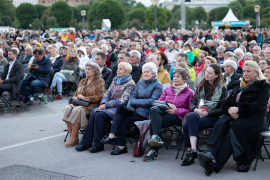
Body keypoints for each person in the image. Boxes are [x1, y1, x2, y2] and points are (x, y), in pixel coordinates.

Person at [198, 61, 269, 175]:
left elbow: (260, 106)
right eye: (244, 71)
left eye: (248, 71)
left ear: (256, 72)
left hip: (252, 118)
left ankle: (215, 164)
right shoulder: (239, 84)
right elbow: (228, 101)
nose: (245, 73)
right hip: (233, 114)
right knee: (221, 122)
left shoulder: (263, 86)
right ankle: (210, 153)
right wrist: (232, 110)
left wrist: (240, 110)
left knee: (233, 129)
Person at [101, 62, 163, 155]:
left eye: (148, 72)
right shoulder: (140, 82)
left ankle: (115, 139)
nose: (145, 73)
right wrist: (130, 108)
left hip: (145, 113)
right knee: (120, 110)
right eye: (144, 71)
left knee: (123, 120)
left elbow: (152, 101)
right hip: (134, 110)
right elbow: (132, 97)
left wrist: (134, 103)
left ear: (154, 74)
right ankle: (117, 141)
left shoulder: (158, 85)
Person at [75, 62, 136, 153]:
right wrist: (103, 103)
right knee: (95, 114)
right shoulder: (115, 80)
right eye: (118, 68)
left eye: (120, 69)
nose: (117, 70)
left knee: (99, 115)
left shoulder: (130, 83)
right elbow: (107, 94)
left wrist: (106, 105)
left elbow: (123, 101)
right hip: (109, 106)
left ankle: (98, 145)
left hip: (120, 108)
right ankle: (86, 143)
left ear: (126, 72)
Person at [143, 68, 195, 161]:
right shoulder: (168, 88)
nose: (174, 78)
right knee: (154, 109)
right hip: (164, 110)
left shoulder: (190, 92)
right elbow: (159, 102)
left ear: (184, 79)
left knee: (154, 123)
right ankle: (156, 138)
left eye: (178, 76)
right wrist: (168, 104)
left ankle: (153, 150)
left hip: (177, 116)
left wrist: (176, 111)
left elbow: (190, 110)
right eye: (174, 76)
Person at [181, 64, 227, 166]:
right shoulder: (201, 86)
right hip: (198, 114)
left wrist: (208, 113)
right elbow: (192, 103)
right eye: (206, 72)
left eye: (210, 73)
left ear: (216, 75)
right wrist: (196, 109)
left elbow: (222, 109)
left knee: (186, 125)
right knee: (192, 116)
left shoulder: (222, 89)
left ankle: (190, 154)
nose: (207, 74)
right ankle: (192, 150)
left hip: (211, 117)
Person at [62, 62, 105, 147]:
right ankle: (71, 135)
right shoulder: (83, 81)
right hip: (78, 103)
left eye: (89, 69)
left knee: (77, 109)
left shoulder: (100, 81)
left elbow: (100, 97)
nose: (87, 71)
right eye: (86, 69)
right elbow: (76, 93)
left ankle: (74, 137)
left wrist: (85, 98)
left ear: (95, 71)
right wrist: (74, 98)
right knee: (67, 108)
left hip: (90, 105)